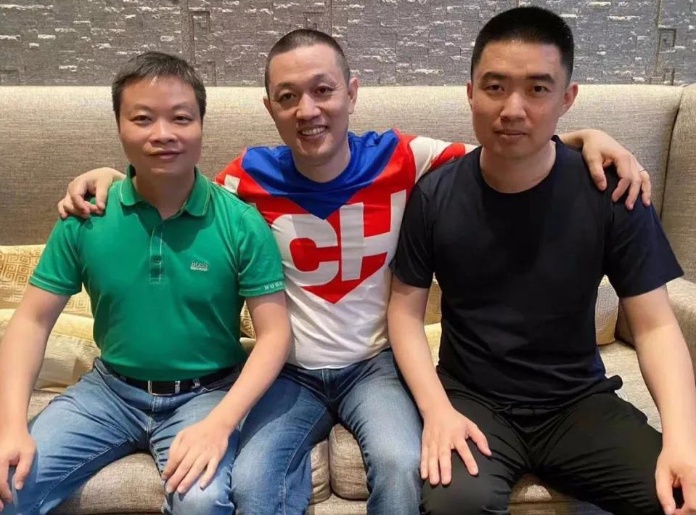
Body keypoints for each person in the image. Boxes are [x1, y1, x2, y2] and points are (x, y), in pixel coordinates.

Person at [56, 30, 654, 515]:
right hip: (288, 370)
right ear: (270, 108)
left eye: (323, 90)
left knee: (401, 463)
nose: (308, 110)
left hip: (375, 365)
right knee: (256, 479)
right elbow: (173, 189)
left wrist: (584, 137)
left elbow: (507, 151)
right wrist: (109, 176)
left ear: (352, 92)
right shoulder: (246, 177)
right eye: (288, 97)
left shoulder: (404, 157)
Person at [388, 6, 696, 515]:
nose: (513, 108)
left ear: (566, 98)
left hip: (577, 401)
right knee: (455, 505)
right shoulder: (435, 194)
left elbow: (656, 326)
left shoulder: (612, 192)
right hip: (473, 400)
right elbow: (403, 315)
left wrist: (683, 442)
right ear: (470, 93)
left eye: (537, 88)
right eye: (495, 87)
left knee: (678, 497)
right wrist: (436, 409)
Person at [0, 51, 291, 515]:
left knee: (202, 502)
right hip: (108, 393)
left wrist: (220, 423)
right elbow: (32, 322)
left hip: (206, 394)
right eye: (142, 118)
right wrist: (10, 426)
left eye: (180, 118)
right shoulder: (86, 217)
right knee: (8, 483)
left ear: (201, 125)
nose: (163, 133)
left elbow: (275, 335)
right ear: (119, 126)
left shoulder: (240, 222)